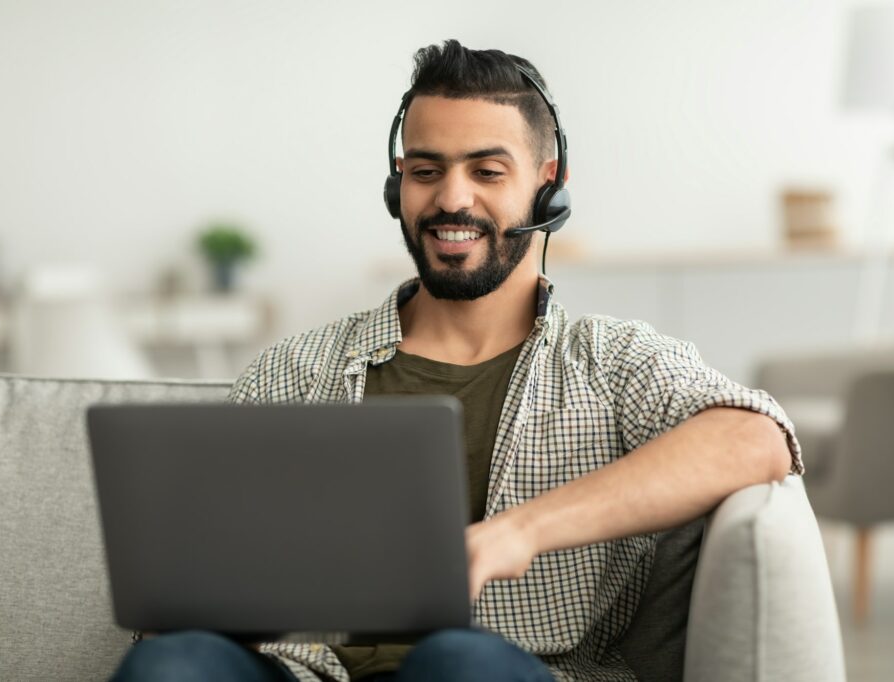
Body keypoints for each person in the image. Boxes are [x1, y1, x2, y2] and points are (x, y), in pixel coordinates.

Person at [113, 39, 802, 682]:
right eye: (426, 170)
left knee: (455, 663)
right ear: (397, 187)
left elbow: (755, 437)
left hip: (497, 669)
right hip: (306, 674)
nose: (451, 198)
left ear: (547, 184)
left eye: (487, 170)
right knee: (171, 664)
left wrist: (518, 533)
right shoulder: (295, 370)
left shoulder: (610, 360)